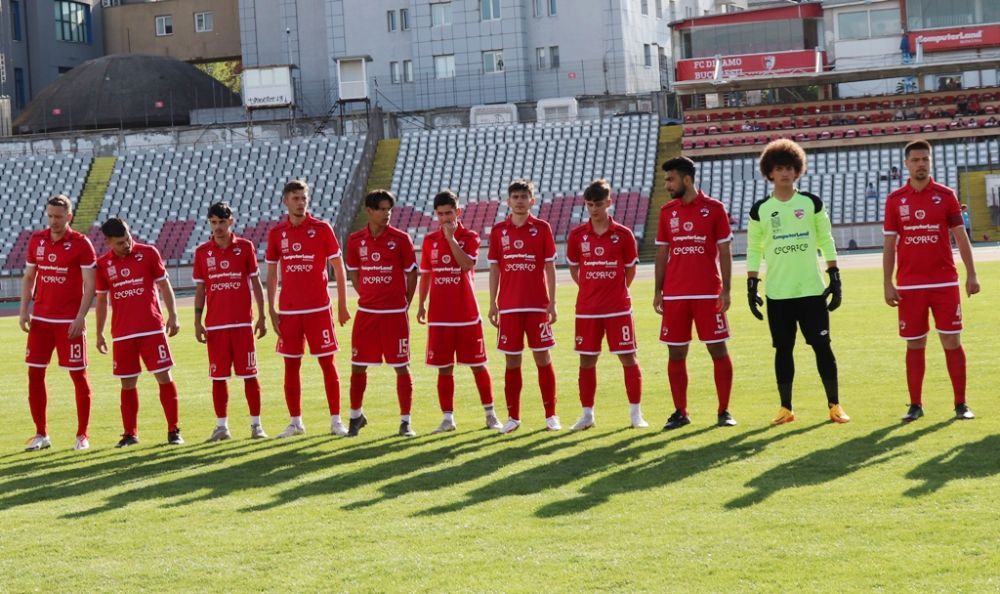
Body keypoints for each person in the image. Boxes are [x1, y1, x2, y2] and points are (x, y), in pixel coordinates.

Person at [746, 139, 850, 425]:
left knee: (823, 347)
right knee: (783, 350)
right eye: (779, 168)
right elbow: (754, 248)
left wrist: (834, 275)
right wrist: (752, 284)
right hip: (778, 294)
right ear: (769, 172)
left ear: (798, 171)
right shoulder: (760, 210)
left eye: (790, 168)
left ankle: (834, 406)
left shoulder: (811, 203)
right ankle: (785, 408)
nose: (785, 173)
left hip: (811, 291)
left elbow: (825, 239)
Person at [883, 139, 980, 422]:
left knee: (951, 340)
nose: (921, 164)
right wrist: (888, 283)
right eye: (915, 160)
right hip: (910, 285)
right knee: (915, 344)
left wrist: (971, 274)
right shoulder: (895, 200)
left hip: (944, 282)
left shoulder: (946, 195)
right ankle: (915, 405)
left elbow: (961, 238)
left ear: (931, 162)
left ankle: (961, 404)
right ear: (906, 164)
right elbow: (889, 246)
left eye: (925, 159)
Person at [265, 180, 351, 438]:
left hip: (319, 309)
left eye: (304, 198)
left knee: (328, 363)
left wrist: (343, 304)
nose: (301, 202)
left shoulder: (322, 229)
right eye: (295, 198)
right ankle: (295, 422)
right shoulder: (276, 233)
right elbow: (271, 274)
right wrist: (271, 308)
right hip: (289, 311)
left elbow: (338, 266)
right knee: (291, 366)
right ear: (285, 201)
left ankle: (336, 421)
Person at [655, 158, 737, 429]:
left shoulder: (714, 209)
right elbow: (662, 252)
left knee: (717, 349)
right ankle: (680, 412)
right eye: (666, 180)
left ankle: (724, 411)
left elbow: (725, 250)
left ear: (686, 180)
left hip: (707, 293)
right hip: (675, 295)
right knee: (676, 353)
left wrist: (726, 289)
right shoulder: (667, 211)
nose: (667, 185)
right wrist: (658, 290)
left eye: (671, 179)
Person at [417, 191, 502, 432]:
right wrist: (422, 303)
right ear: (436, 214)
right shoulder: (430, 240)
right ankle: (447, 419)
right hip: (440, 316)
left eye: (449, 213)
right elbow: (426, 275)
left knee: (478, 365)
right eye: (441, 214)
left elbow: (467, 265)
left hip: (466, 314)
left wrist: (452, 239)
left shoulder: (469, 236)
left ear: (458, 212)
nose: (445, 218)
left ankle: (490, 415)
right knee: (444, 368)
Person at [565, 179, 647, 431]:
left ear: (608, 203)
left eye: (598, 204)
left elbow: (630, 271)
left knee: (628, 358)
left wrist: (615, 290)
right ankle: (587, 414)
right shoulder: (577, 235)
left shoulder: (623, 234)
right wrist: (591, 289)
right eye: (589, 205)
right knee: (587, 361)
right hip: (588, 309)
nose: (594, 209)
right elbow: (575, 269)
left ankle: (636, 414)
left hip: (618, 308)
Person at [95, 217, 183, 447]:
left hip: (152, 328)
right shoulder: (103, 264)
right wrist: (99, 332)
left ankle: (174, 430)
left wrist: (173, 315)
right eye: (121, 243)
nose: (127, 245)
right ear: (108, 242)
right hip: (123, 333)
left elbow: (164, 285)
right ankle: (130, 434)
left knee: (164, 376)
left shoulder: (149, 253)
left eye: (128, 239)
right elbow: (102, 301)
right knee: (127, 384)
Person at [19, 195, 97, 451]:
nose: (53, 221)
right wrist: (23, 311)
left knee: (78, 376)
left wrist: (80, 317)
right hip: (41, 321)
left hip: (68, 323)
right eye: (50, 216)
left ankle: (82, 435)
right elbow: (29, 277)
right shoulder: (36, 240)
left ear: (69, 217)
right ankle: (42, 434)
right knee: (34, 374)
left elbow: (90, 286)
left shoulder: (81, 244)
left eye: (59, 216)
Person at [344, 190, 418, 437]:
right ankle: (355, 416)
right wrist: (364, 292)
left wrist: (405, 302)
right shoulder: (355, 240)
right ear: (369, 210)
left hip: (395, 314)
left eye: (389, 209)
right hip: (367, 313)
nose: (387, 213)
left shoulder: (401, 238)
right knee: (357, 367)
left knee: (401, 366)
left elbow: (411, 273)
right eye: (382, 209)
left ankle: (406, 422)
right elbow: (353, 270)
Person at [487, 179, 559, 434]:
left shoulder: (542, 228)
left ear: (532, 200)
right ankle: (513, 417)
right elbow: (495, 268)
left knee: (543, 358)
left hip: (537, 305)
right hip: (508, 307)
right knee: (512, 362)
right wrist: (493, 303)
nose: (519, 201)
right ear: (508, 201)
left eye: (523, 196)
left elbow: (549, 267)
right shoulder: (498, 231)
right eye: (515, 197)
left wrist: (552, 302)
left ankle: (551, 415)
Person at [193, 202, 268, 442]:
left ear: (231, 221)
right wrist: (197, 320)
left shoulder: (245, 247)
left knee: (250, 375)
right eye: (213, 223)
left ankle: (256, 426)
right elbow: (201, 289)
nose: (217, 227)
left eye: (221, 222)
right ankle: (221, 427)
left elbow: (256, 283)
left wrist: (263, 316)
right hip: (215, 325)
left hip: (242, 324)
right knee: (218, 377)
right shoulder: (203, 252)